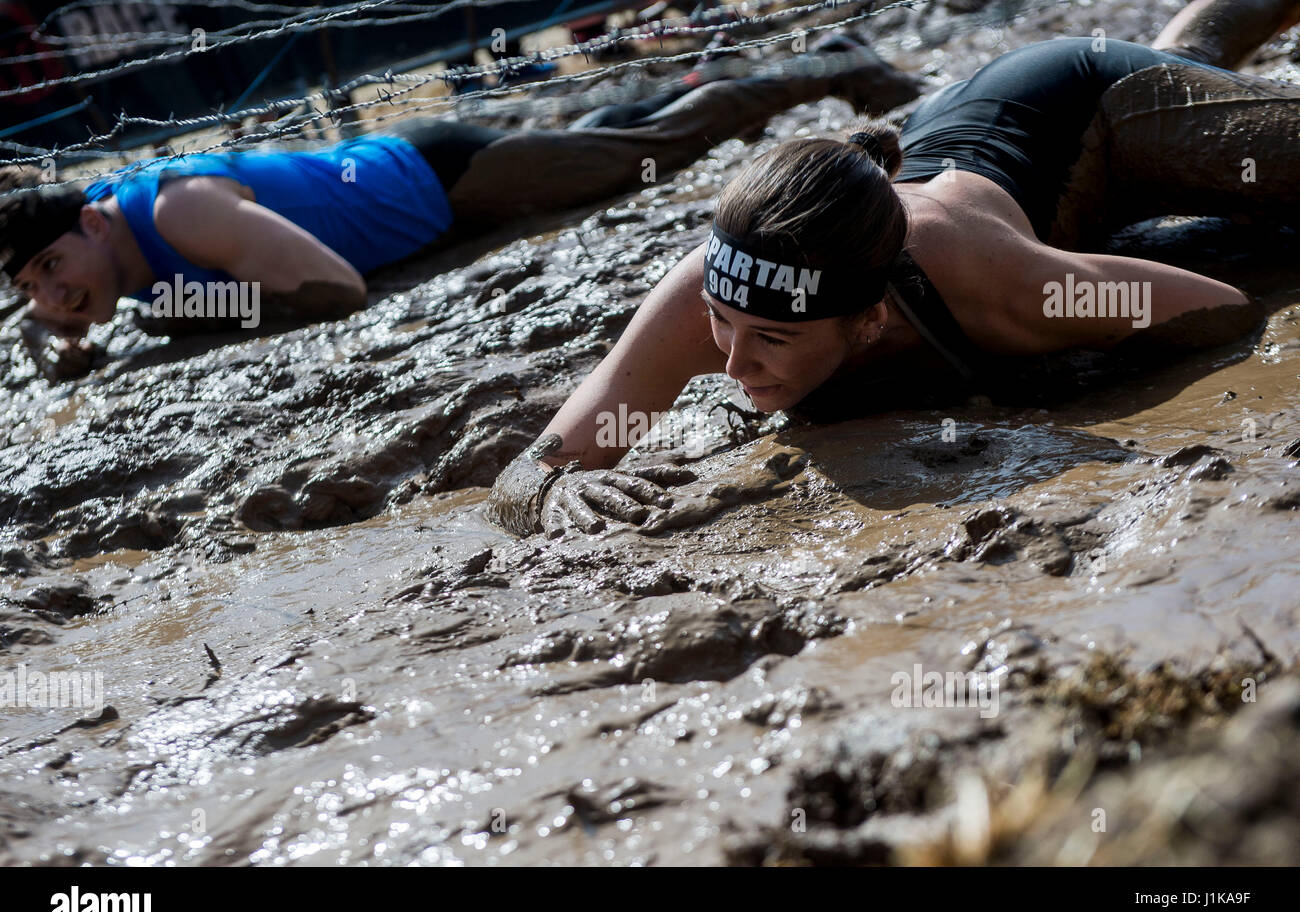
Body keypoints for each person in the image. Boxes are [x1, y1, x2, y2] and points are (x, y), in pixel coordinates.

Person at [486, 0, 1300, 538]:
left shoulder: (1002, 288)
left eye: (771, 337)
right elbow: (532, 470)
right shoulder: (717, 285)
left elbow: (1221, 309)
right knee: (1196, 72)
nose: (731, 364)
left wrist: (1068, 353)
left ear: (872, 318)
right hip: (974, 145)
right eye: (722, 326)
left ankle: (1177, 80)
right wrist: (560, 491)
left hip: (1088, 107)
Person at [0, 41, 920, 380]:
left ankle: (827, 65)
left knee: (651, 150)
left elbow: (334, 287)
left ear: (91, 221)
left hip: (444, 180)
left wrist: (174, 314)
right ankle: (755, 77)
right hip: (433, 193)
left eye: (50, 265)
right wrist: (80, 334)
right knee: (622, 133)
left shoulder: (183, 212)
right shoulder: (123, 253)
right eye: (30, 285)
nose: (51, 292)